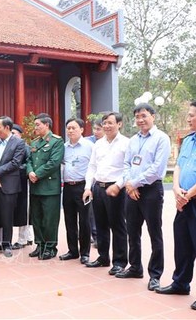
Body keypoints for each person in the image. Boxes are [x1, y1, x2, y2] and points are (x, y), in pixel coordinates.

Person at [156, 99, 196, 311]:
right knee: (182, 245)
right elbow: (179, 167)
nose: (188, 119)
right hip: (184, 201)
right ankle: (180, 283)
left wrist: (188, 194)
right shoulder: (190, 139)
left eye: (191, 115)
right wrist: (176, 188)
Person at [116, 104, 171, 291]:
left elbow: (157, 168)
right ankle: (135, 267)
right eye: (137, 117)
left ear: (153, 116)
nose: (140, 120)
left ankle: (155, 275)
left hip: (151, 190)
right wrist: (129, 184)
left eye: (144, 116)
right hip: (131, 190)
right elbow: (126, 164)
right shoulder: (133, 140)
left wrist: (134, 183)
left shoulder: (161, 138)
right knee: (132, 231)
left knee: (154, 232)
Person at [83, 112, 129, 276]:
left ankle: (119, 261)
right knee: (100, 224)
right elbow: (92, 166)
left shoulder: (126, 143)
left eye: (110, 123)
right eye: (105, 123)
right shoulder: (98, 144)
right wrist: (88, 187)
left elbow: (127, 169)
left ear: (119, 124)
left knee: (117, 225)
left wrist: (118, 185)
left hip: (116, 189)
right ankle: (103, 257)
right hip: (98, 188)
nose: (107, 126)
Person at [0, 116, 26, 257]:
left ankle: (6, 244)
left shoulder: (18, 143)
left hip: (8, 186)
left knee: (7, 216)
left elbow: (15, 163)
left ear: (7, 128)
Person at [27, 113, 64, 260]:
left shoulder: (56, 141)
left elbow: (54, 162)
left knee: (49, 219)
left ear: (47, 125)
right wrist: (30, 171)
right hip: (35, 186)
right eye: (35, 125)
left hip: (49, 187)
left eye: (38, 125)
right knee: (36, 218)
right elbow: (28, 160)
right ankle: (40, 245)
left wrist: (37, 174)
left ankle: (50, 247)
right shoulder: (35, 143)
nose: (35, 127)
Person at [60, 118, 93, 264]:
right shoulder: (64, 147)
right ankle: (72, 250)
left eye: (74, 128)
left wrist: (90, 187)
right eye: (68, 128)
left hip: (83, 187)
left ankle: (85, 253)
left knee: (85, 221)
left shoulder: (90, 146)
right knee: (69, 220)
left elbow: (94, 167)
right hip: (68, 187)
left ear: (81, 129)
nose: (70, 131)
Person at [11, 123, 34, 250]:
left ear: (20, 135)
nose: (12, 136)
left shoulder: (25, 147)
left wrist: (16, 168)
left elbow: (29, 163)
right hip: (15, 182)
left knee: (24, 210)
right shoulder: (11, 147)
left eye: (14, 133)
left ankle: (22, 239)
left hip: (23, 181)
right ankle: (29, 237)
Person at [85, 117, 104, 247]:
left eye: (98, 129)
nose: (96, 132)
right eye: (94, 129)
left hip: (105, 183)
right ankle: (95, 236)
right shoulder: (88, 142)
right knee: (91, 212)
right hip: (89, 182)